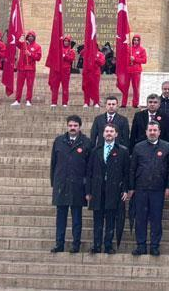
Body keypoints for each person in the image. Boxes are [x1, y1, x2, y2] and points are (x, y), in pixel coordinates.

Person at [129, 121, 169, 256]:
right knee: (140, 218)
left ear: (159, 132)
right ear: (146, 132)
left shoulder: (167, 147)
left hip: (158, 189)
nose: (152, 132)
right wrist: (131, 187)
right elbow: (132, 169)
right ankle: (141, 245)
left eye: (155, 130)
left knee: (156, 218)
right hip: (141, 188)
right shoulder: (138, 147)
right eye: (150, 130)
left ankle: (154, 245)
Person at [49, 115, 92, 253]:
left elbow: (89, 167)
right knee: (60, 217)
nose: (72, 128)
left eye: (75, 126)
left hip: (78, 185)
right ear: (67, 126)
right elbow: (53, 163)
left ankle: (76, 244)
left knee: (77, 217)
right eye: (70, 125)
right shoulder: (59, 141)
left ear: (80, 127)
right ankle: (59, 243)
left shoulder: (86, 142)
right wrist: (54, 183)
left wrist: (87, 188)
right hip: (61, 184)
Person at [85, 123, 130, 254]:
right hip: (97, 189)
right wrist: (88, 191)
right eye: (107, 131)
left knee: (111, 219)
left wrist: (125, 190)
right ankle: (97, 245)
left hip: (114, 190)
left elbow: (126, 172)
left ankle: (108, 245)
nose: (109, 133)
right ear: (103, 134)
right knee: (97, 219)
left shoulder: (123, 151)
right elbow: (89, 172)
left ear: (116, 134)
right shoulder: (95, 150)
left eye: (111, 131)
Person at [121, 34, 147, 108]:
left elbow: (144, 60)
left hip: (136, 71)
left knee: (135, 88)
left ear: (139, 41)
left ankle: (135, 103)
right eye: (134, 40)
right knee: (125, 87)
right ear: (132, 40)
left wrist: (135, 59)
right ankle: (123, 103)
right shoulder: (129, 49)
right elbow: (124, 59)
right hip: (127, 71)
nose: (135, 41)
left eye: (137, 40)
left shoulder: (142, 50)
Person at [50, 35, 75, 107]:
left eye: (67, 41)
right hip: (58, 70)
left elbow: (72, 58)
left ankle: (64, 103)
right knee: (55, 87)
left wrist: (65, 56)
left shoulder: (71, 51)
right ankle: (54, 102)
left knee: (65, 87)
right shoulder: (59, 49)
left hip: (66, 71)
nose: (66, 42)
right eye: (65, 41)